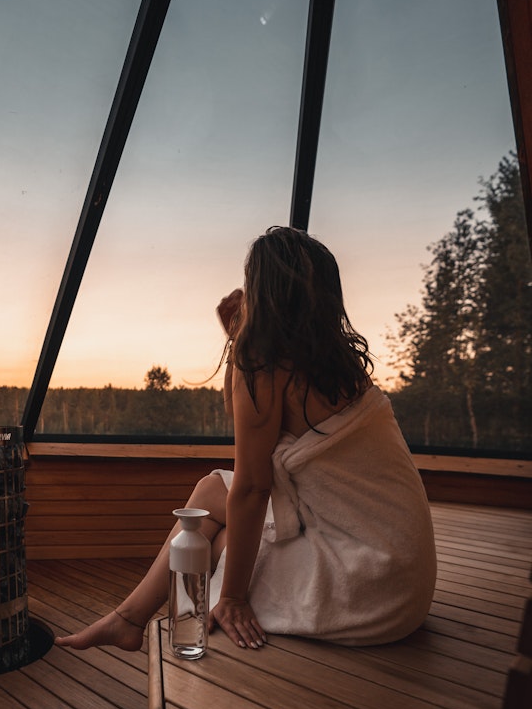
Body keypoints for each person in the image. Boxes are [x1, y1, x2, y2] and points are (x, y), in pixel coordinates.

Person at [55, 226, 437, 653]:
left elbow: (255, 485)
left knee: (217, 540)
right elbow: (256, 434)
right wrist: (240, 338)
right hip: (405, 573)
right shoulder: (341, 364)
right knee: (210, 491)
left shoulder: (263, 363)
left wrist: (233, 597)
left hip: (369, 586)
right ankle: (128, 618)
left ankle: (131, 619)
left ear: (262, 289)